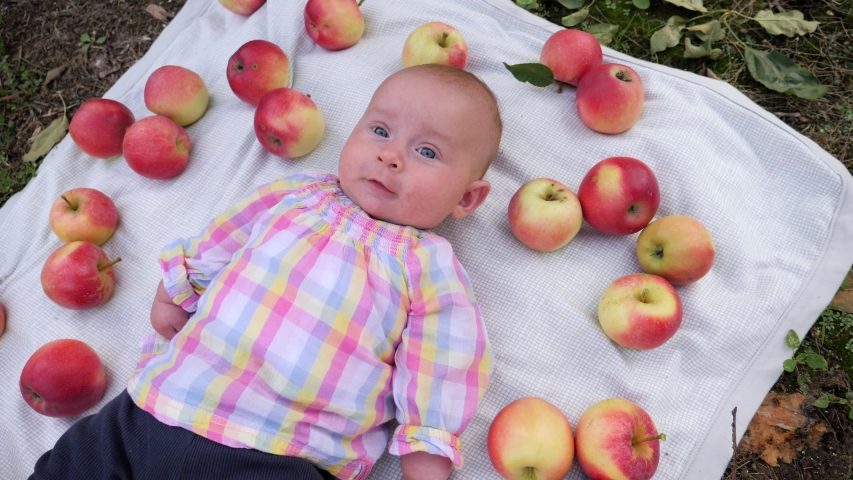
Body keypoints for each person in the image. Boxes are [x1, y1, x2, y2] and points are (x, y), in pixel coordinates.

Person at [31, 63, 503, 480]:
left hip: (280, 451)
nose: (391, 155)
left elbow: (445, 361)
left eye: (426, 152)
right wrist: (176, 288)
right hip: (158, 406)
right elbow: (225, 236)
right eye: (379, 131)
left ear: (466, 198)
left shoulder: (428, 267)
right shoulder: (295, 194)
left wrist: (426, 451)